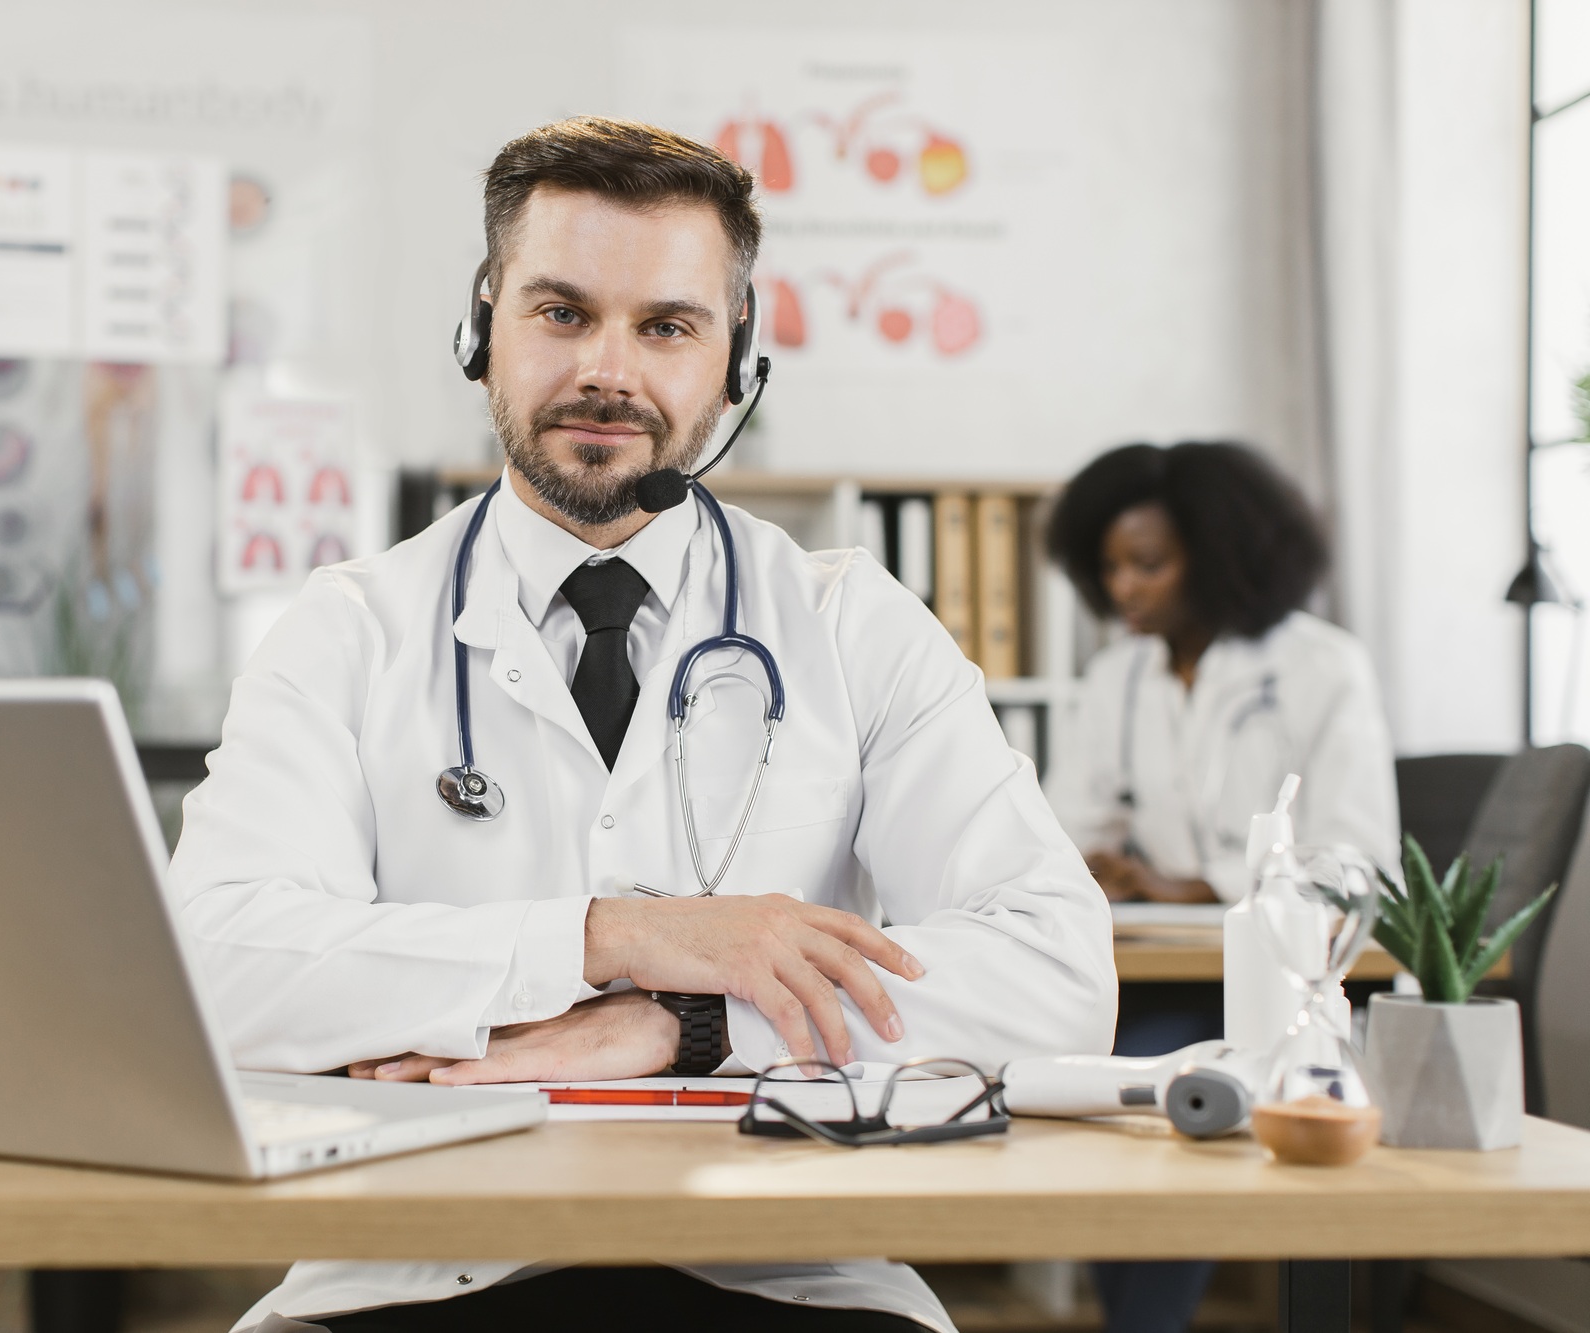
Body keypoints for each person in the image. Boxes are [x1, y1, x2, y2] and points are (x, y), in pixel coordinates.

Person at [170, 116, 1115, 1332]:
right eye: (561, 312)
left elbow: (1055, 977)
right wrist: (611, 937)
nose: (606, 371)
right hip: (412, 1270)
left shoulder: (847, 624)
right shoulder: (351, 628)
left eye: (665, 326)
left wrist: (685, 1023)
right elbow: (216, 969)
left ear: (736, 360)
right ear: (482, 326)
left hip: (787, 1272)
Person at [1041, 441, 1399, 1333]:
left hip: (1281, 986)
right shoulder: (1118, 676)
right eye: (1110, 568)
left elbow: (1360, 864)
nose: (1124, 588)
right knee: (1088, 1080)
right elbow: (1063, 823)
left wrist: (1198, 884)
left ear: (1219, 555)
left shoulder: (1322, 667)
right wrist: (1092, 859)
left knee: (1163, 1088)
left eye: (1148, 564)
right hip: (1144, 974)